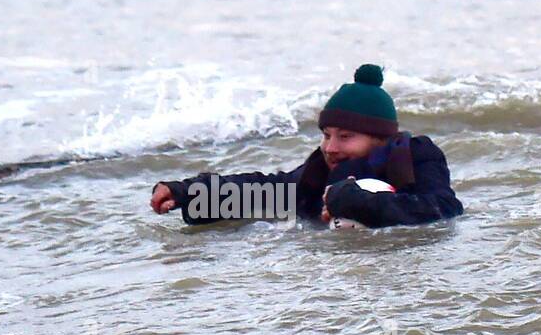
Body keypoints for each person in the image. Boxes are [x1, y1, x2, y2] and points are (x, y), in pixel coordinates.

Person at [149, 64, 463, 228]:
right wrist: (188, 193)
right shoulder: (319, 172)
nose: (330, 147)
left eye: (345, 136)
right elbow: (266, 193)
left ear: (380, 139)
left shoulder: (416, 159)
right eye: (326, 135)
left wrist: (354, 200)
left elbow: (444, 210)